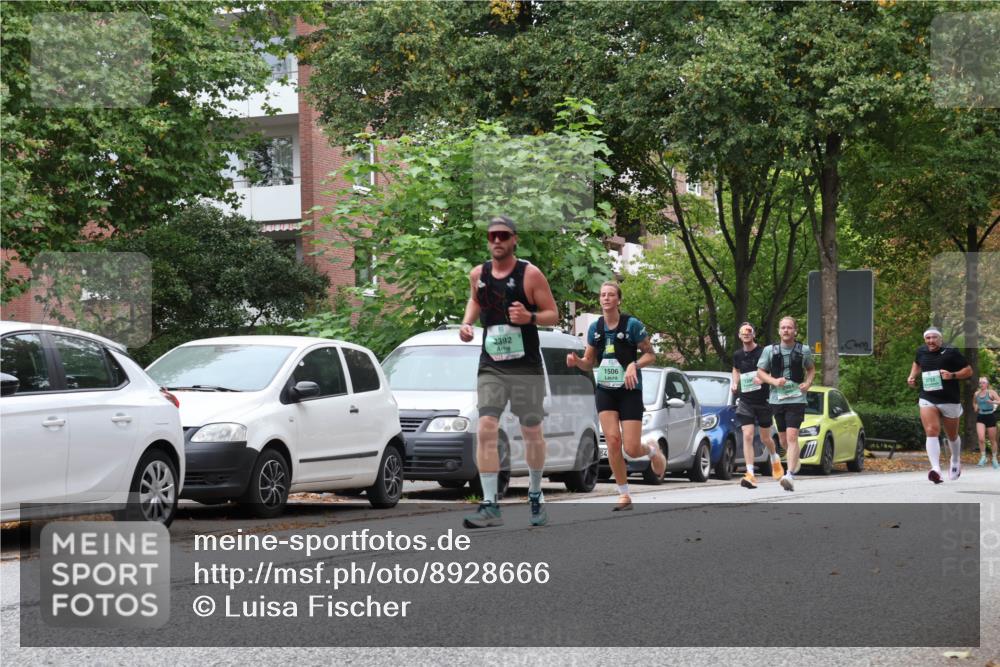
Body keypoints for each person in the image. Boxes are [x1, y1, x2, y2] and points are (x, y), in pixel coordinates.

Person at [459, 215, 559, 528]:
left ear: (514, 239)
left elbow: (552, 315)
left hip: (525, 365)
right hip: (491, 364)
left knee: (531, 431)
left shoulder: (530, 275)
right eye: (492, 236)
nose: (497, 241)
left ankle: (534, 492)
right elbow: (475, 301)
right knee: (486, 425)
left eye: (503, 235)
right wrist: (467, 323)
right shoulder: (479, 274)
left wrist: (529, 317)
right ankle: (490, 504)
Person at [566, 281, 665, 511]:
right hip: (605, 390)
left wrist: (634, 365)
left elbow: (651, 355)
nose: (606, 298)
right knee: (612, 441)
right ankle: (624, 494)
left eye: (611, 295)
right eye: (603, 295)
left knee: (631, 449)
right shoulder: (595, 328)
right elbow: (589, 362)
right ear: (600, 299)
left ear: (618, 300)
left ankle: (651, 449)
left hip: (629, 391)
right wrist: (577, 362)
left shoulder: (631, 325)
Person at [756, 316, 816, 492]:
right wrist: (774, 382)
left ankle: (789, 474)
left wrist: (808, 382)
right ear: (779, 331)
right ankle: (794, 459)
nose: (786, 330)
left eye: (789, 328)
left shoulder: (803, 350)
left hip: (797, 398)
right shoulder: (769, 350)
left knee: (792, 436)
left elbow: (811, 368)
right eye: (783, 328)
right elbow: (760, 372)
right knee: (783, 440)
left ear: (795, 330)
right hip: (777, 399)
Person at [907, 327, 973, 483]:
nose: (931, 340)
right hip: (928, 397)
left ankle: (955, 460)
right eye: (928, 338)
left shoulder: (951, 352)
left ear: (940, 339)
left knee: (952, 435)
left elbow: (969, 370)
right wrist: (912, 376)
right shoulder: (921, 351)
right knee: (931, 430)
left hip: (949, 399)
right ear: (925, 339)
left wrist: (953, 375)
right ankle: (935, 469)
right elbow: (917, 363)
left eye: (934, 338)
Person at [730, 322, 784, 489]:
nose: (746, 334)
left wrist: (763, 378)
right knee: (747, 435)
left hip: (763, 401)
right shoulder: (738, 354)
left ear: (753, 335)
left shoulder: (763, 352)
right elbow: (736, 369)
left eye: (749, 332)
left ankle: (775, 459)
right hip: (746, 400)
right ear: (739, 336)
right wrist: (734, 382)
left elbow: (774, 370)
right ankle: (750, 473)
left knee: (765, 438)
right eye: (743, 332)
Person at [974, 377, 1000, 469]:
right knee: (981, 438)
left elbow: (999, 401)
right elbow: (975, 402)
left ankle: (994, 459)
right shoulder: (976, 393)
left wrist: (992, 402)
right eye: (980, 383)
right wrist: (976, 406)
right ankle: (983, 457)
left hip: (990, 416)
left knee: (992, 440)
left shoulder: (991, 392)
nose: (981, 384)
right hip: (981, 416)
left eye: (983, 383)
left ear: (987, 383)